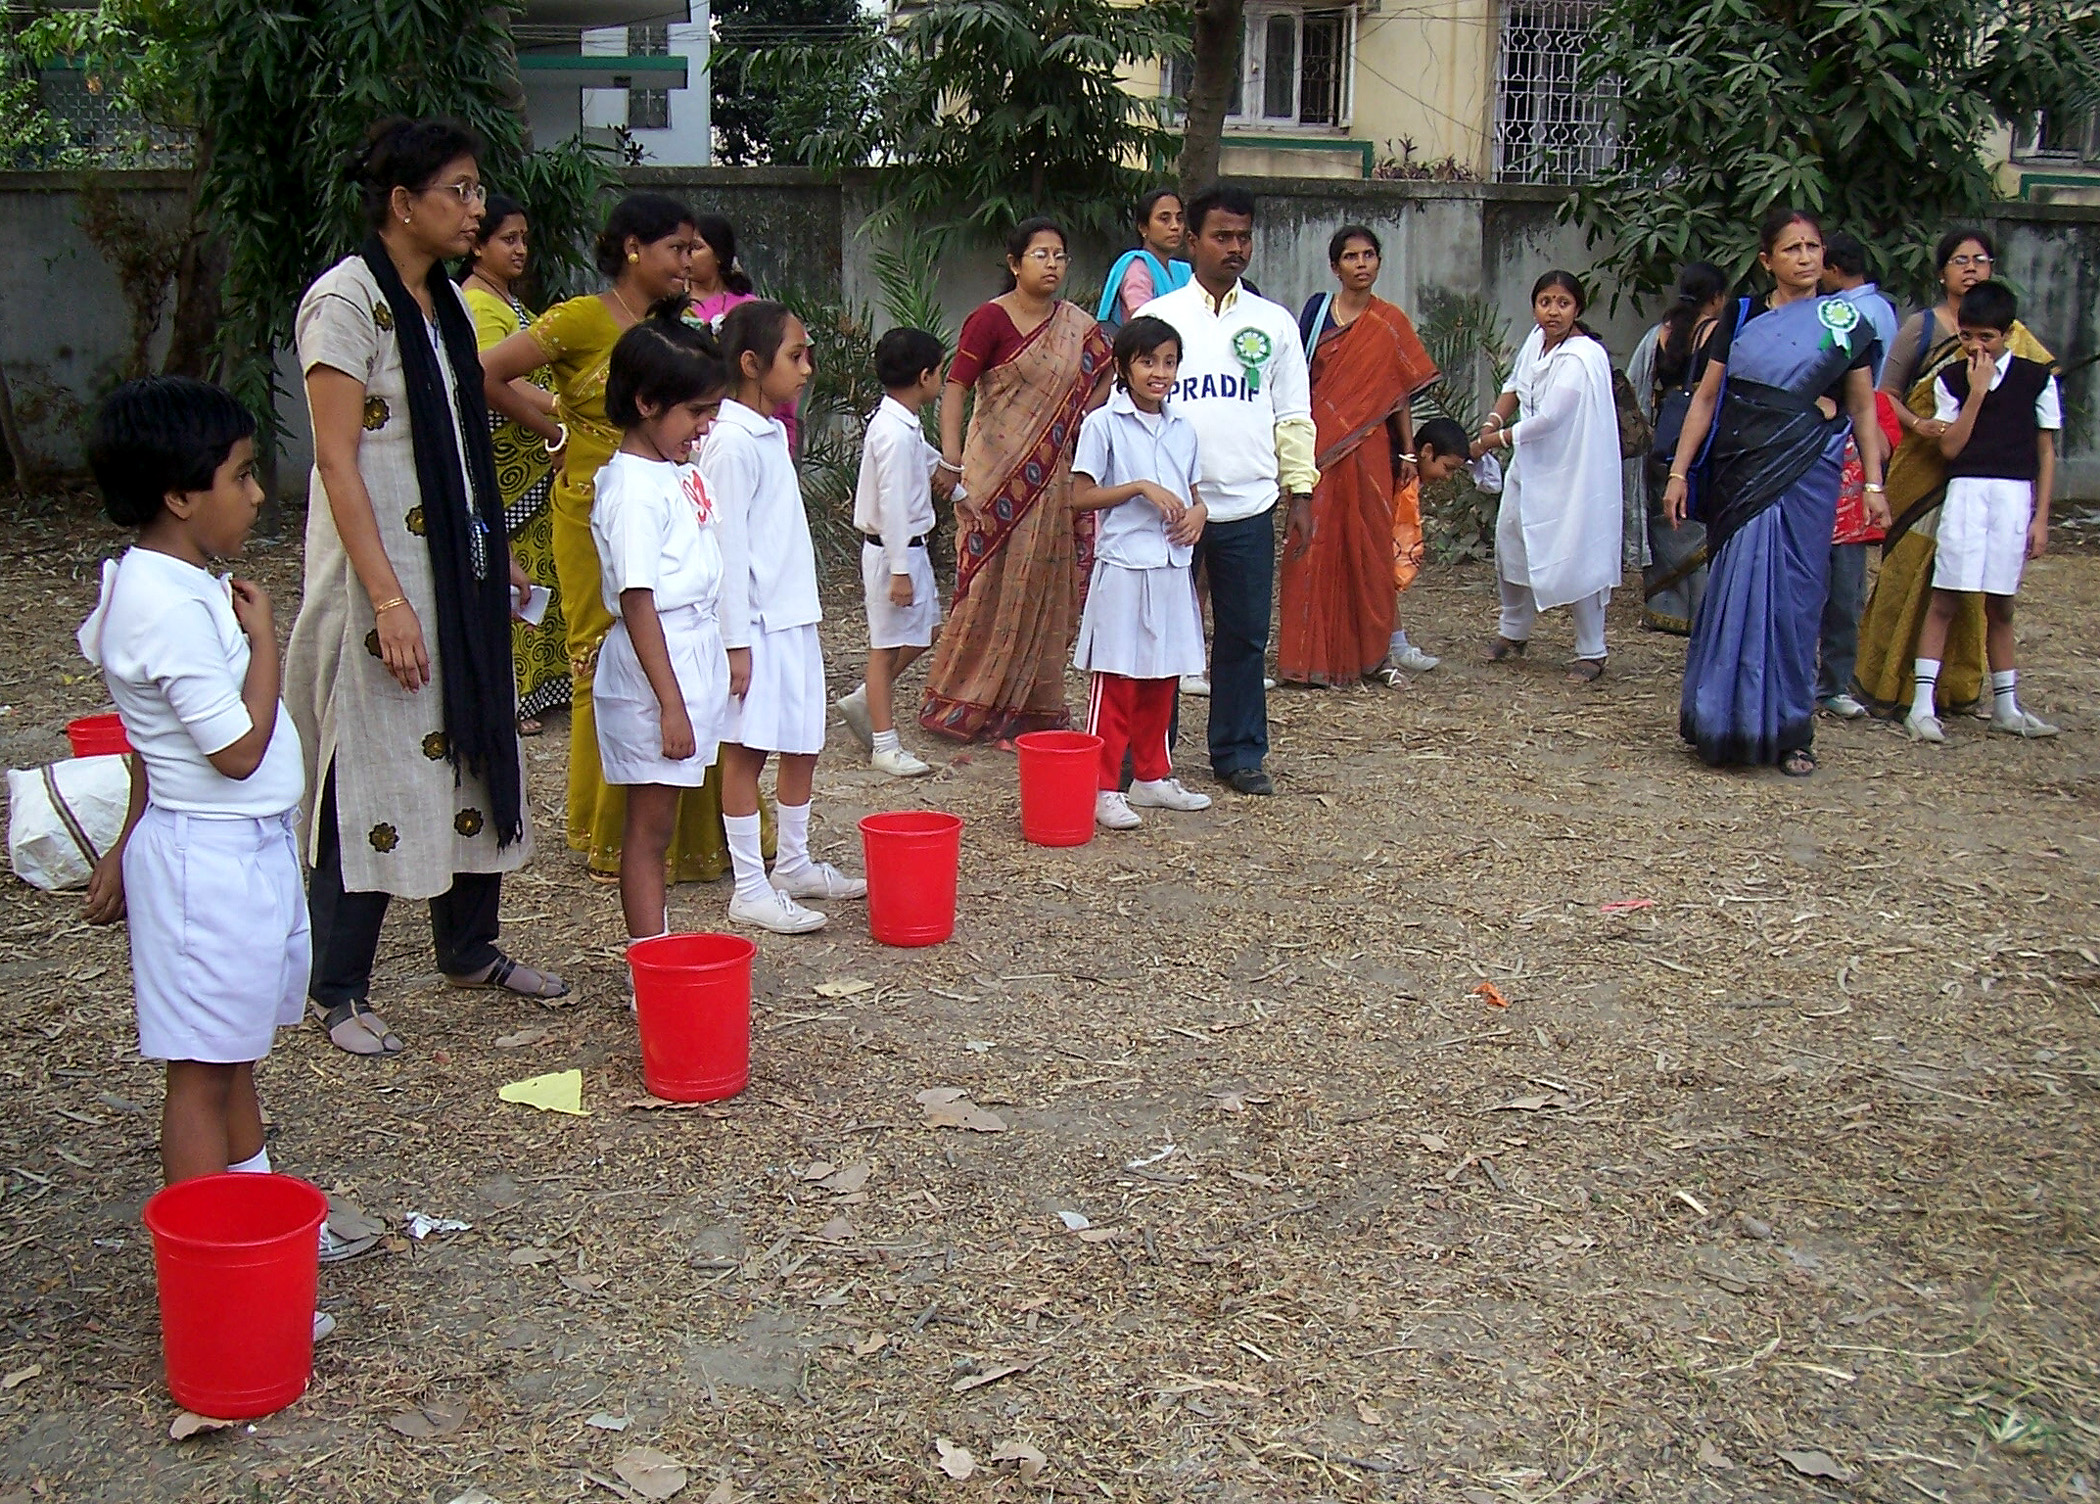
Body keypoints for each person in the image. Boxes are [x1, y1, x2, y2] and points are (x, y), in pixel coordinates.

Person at [287, 117, 564, 1057]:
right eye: (460, 190)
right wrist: (389, 600)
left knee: (476, 737)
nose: (476, 207)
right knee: (370, 761)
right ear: (404, 204)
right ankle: (339, 987)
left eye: (479, 190)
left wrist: (494, 546)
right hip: (381, 580)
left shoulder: (445, 304)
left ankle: (468, 946)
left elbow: (455, 442)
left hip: (458, 565)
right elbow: (336, 460)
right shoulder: (345, 305)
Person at [483, 194, 759, 885]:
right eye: (676, 248)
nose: (688, 263)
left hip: (675, 501)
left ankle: (698, 838)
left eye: (695, 249)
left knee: (686, 652)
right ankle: (612, 834)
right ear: (633, 248)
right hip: (594, 510)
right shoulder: (578, 319)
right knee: (603, 664)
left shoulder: (682, 330)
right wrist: (558, 422)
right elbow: (487, 373)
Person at [77, 378, 310, 1189]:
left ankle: (251, 1217)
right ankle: (215, 1267)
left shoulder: (187, 586)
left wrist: (121, 841)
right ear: (178, 495)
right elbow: (236, 752)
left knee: (233, 1053)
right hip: (203, 866)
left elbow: (151, 751)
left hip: (235, 851)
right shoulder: (162, 605)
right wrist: (268, 641)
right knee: (202, 1073)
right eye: (241, 476)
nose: (255, 495)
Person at [1663, 207, 1888, 775]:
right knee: (1733, 592)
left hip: (1808, 473)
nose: (1806, 258)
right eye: (1792, 249)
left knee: (1796, 597)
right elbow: (1707, 399)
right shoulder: (1738, 319)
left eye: (1813, 247)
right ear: (1767, 260)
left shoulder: (1845, 324)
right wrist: (1678, 472)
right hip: (1744, 472)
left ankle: (1791, 730)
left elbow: (1862, 409)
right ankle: (1720, 721)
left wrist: (1873, 484)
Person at [1137, 185, 1316, 796]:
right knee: (1161, 634)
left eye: (1244, 237)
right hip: (1170, 510)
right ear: (1192, 240)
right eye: (1222, 236)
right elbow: (1131, 413)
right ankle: (1150, 752)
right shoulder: (1158, 320)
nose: (1235, 248)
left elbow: (1292, 414)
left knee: (1242, 634)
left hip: (1247, 503)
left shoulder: (1273, 323)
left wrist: (1301, 492)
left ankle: (1238, 753)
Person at [703, 300, 867, 934]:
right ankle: (749, 884)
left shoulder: (769, 431)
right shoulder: (728, 443)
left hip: (794, 615)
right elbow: (728, 547)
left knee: (804, 742)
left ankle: (793, 862)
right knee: (746, 752)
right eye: (795, 356)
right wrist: (734, 642)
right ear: (751, 364)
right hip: (758, 625)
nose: (807, 369)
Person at [920, 219, 1113, 744]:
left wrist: (1071, 426)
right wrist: (954, 457)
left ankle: (1029, 708)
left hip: (1052, 478)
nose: (1052, 264)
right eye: (1040, 255)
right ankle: (963, 697)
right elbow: (957, 387)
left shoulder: (1077, 325)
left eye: (1060, 255)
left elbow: (1105, 377)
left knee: (1044, 585)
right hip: (993, 473)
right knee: (984, 583)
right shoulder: (989, 320)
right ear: (1014, 264)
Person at [1853, 228, 2051, 721]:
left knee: (1994, 599)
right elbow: (1889, 395)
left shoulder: (2027, 359)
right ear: (1942, 271)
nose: (1971, 268)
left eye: (1980, 259)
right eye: (1960, 260)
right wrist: (1922, 423)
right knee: (1930, 585)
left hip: (2004, 493)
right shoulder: (1925, 335)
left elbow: (2044, 441)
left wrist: (2039, 516)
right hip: (1933, 480)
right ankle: (1908, 694)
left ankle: (1977, 693)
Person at [592, 313, 733, 945]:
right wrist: (671, 704)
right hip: (657, 670)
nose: (706, 428)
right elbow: (639, 599)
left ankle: (660, 952)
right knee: (650, 831)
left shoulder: (677, 470)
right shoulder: (631, 490)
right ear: (647, 403)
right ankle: (650, 962)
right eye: (697, 412)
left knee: (665, 822)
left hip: (691, 651)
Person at [1279, 224, 1441, 689]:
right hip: (1318, 448)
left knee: (1369, 548)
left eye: (1369, 255)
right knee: (1310, 547)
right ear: (1335, 267)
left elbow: (1399, 395)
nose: (1362, 264)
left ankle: (1373, 656)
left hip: (1370, 450)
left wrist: (1408, 452)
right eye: (1351, 257)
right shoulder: (1314, 317)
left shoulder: (1389, 323)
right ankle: (1307, 659)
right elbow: (1298, 380)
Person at [1069, 315, 1213, 830]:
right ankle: (1103, 786)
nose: (1160, 372)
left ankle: (1152, 776)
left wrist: (1198, 516)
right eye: (1148, 362)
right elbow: (1079, 495)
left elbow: (1194, 496)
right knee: (1118, 677)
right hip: (1125, 565)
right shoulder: (1103, 425)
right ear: (1124, 368)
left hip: (1171, 565)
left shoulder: (1183, 427)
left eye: (1169, 362)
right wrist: (1137, 488)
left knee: (1163, 674)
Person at [1904, 280, 2060, 743]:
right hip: (1968, 494)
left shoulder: (2037, 379)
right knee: (1946, 597)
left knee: (2002, 604)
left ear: (2007, 334)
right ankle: (1921, 705)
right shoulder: (1950, 380)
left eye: (1986, 338)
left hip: (2012, 496)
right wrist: (1975, 393)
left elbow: (2046, 451)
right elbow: (1950, 447)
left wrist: (2040, 517)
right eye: (1968, 336)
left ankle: (2007, 705)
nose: (1976, 346)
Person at [1474, 271, 1623, 682]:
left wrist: (1494, 440)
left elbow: (1551, 418)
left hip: (1573, 472)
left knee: (1578, 551)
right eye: (1545, 302)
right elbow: (1516, 385)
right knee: (1511, 538)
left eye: (1562, 303)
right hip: (1531, 464)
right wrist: (1492, 420)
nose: (1552, 311)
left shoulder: (1582, 356)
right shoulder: (1535, 342)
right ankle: (1514, 629)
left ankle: (1592, 651)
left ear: (1577, 309)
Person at [460, 193, 566, 736]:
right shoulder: (478, 304)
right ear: (477, 246)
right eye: (507, 239)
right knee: (515, 579)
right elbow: (491, 379)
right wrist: (558, 415)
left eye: (523, 238)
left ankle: (544, 684)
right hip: (508, 465)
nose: (521, 249)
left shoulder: (505, 300)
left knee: (542, 571)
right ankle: (514, 694)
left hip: (533, 458)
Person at [837, 327, 949, 778]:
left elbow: (927, 459)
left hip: (909, 550)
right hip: (893, 552)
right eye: (940, 372)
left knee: (925, 632)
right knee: (885, 649)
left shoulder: (902, 424)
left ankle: (868, 697)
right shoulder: (894, 434)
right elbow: (895, 504)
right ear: (925, 377)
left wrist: (957, 485)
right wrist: (899, 571)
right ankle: (884, 743)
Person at [1813, 231, 1902, 719]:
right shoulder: (1800, 321)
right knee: (1801, 582)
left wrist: (1873, 480)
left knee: (1845, 586)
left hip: (1851, 462)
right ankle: (1800, 677)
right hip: (1807, 463)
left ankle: (1835, 681)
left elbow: (1872, 404)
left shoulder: (1861, 318)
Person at [1626, 261, 1729, 634]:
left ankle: (1664, 609)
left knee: (1665, 521)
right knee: (1698, 522)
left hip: (1661, 438)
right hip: (1700, 442)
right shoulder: (1719, 333)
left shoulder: (1660, 334)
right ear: (1717, 298)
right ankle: (1702, 612)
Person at [684, 213, 799, 452]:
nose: (687, 257)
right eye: (682, 249)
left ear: (719, 254)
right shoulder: (671, 307)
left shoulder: (750, 307)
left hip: (748, 429)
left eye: (696, 248)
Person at [1097, 188, 1191, 330]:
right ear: (1143, 228)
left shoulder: (1182, 270)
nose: (1175, 226)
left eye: (1179, 219)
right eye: (1164, 219)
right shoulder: (1137, 268)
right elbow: (1144, 323)